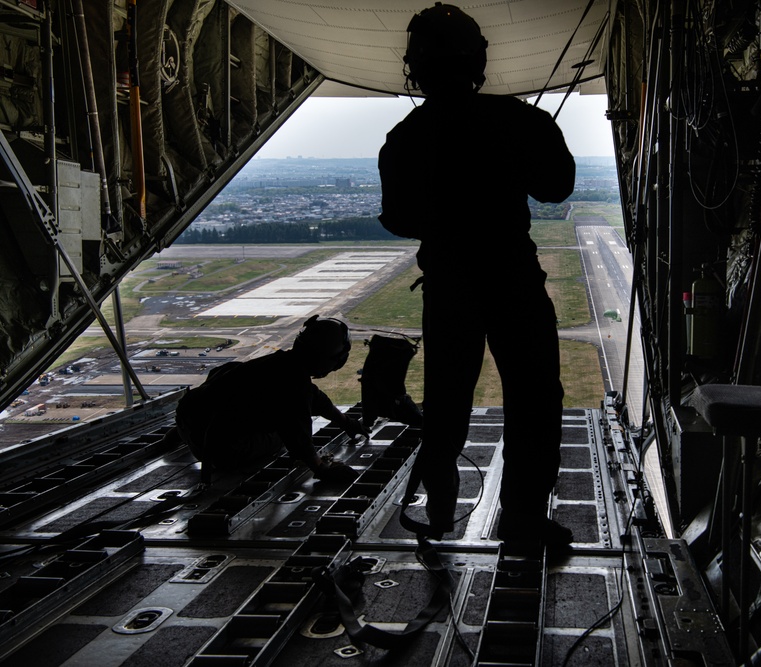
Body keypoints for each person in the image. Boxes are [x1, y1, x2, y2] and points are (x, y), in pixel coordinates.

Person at [378, 3, 576, 547]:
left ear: (414, 68)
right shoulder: (516, 121)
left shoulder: (405, 137)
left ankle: (441, 509)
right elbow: (556, 187)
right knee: (535, 399)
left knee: (446, 403)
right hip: (512, 278)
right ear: (478, 60)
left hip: (450, 286)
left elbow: (398, 217)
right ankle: (523, 518)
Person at [175, 315, 368, 483]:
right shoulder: (293, 386)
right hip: (218, 449)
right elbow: (299, 439)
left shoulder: (277, 364)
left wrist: (346, 422)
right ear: (330, 359)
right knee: (278, 438)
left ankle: (183, 434)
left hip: (189, 424)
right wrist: (323, 469)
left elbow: (314, 397)